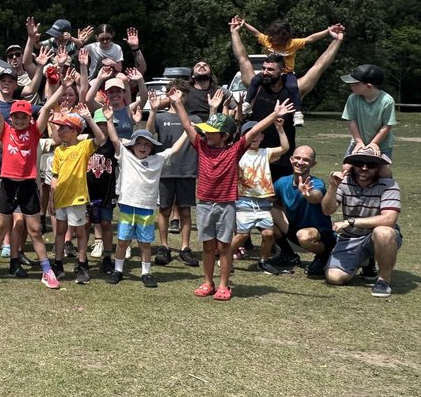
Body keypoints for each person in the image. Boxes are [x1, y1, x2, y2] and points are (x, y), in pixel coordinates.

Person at [169, 94, 294, 301]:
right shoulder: (201, 147)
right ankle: (208, 282)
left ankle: (224, 285)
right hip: (204, 205)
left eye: (212, 132)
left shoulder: (235, 150)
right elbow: (187, 126)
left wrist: (274, 115)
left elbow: (254, 130)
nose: (207, 135)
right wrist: (179, 102)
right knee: (208, 246)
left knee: (224, 247)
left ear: (225, 136)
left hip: (226, 205)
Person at [0, 69, 63, 287]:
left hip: (27, 186)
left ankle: (46, 270)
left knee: (34, 229)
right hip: (7, 184)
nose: (21, 120)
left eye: (24, 116)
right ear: (11, 118)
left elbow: (49, 106)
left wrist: (64, 86)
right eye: (17, 117)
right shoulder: (5, 131)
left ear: (29, 118)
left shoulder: (34, 132)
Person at [101, 92, 191, 288]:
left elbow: (174, 149)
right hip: (126, 206)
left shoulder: (157, 160)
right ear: (133, 146)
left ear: (152, 148)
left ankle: (146, 273)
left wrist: (187, 129)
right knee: (123, 241)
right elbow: (116, 140)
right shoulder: (126, 156)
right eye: (139, 143)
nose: (142, 147)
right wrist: (109, 120)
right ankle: (118, 270)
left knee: (145, 243)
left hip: (147, 207)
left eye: (146, 144)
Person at [320, 150, 402, 298]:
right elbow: (327, 210)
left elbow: (389, 219)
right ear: (353, 166)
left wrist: (351, 221)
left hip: (375, 235)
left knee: (383, 232)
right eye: (358, 163)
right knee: (334, 277)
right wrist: (332, 187)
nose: (364, 168)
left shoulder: (389, 185)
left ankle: (384, 280)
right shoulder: (344, 182)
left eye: (370, 164)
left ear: (378, 167)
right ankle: (366, 260)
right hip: (350, 238)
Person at [237, 18, 343, 125]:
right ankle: (247, 103)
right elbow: (255, 34)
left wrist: (328, 31)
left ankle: (297, 113)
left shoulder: (292, 44)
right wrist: (243, 25)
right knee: (255, 80)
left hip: (288, 73)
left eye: (275, 37)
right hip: (273, 75)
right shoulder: (268, 41)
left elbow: (311, 39)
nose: (272, 39)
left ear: (283, 36)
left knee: (293, 87)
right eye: (271, 36)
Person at [48, 109, 106, 284]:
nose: (59, 131)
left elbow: (101, 138)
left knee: (80, 232)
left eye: (63, 128)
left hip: (77, 198)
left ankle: (82, 264)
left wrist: (88, 118)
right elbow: (55, 177)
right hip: (60, 199)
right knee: (59, 231)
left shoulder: (83, 147)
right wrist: (51, 199)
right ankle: (58, 264)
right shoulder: (58, 151)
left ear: (74, 131)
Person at [264, 145, 336, 278]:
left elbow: (317, 197)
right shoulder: (282, 182)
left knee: (304, 236)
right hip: (294, 230)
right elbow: (268, 200)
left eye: (306, 160)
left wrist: (307, 194)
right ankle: (287, 253)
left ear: (313, 164)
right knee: (262, 214)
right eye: (297, 158)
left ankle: (324, 256)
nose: (300, 162)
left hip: (319, 233)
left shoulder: (316, 183)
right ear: (291, 160)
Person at [147, 90, 199, 268]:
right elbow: (147, 134)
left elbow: (203, 138)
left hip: (187, 170)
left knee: (185, 211)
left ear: (185, 96)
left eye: (181, 93)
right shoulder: (160, 118)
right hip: (165, 171)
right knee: (164, 210)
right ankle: (164, 246)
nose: (178, 96)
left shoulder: (195, 119)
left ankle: (185, 248)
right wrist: (153, 111)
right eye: (174, 93)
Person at [229, 116, 291, 266]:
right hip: (243, 199)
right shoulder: (238, 153)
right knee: (242, 234)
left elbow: (285, 148)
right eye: (251, 134)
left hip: (263, 200)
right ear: (244, 137)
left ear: (262, 136)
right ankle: (227, 258)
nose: (255, 137)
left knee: (268, 233)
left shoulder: (265, 153)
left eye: (258, 133)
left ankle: (264, 259)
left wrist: (280, 129)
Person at [340, 64, 396, 177]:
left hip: (382, 145)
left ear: (369, 86)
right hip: (358, 142)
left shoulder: (387, 101)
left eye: (355, 83)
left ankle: (385, 193)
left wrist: (374, 143)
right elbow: (352, 121)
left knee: (383, 172)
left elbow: (387, 125)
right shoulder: (353, 98)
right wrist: (359, 142)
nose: (351, 86)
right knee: (347, 168)